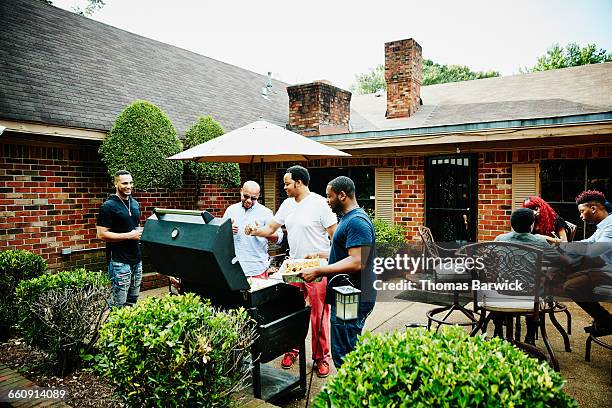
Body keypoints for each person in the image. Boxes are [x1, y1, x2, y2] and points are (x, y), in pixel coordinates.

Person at [246, 165, 337, 378]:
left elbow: (337, 237)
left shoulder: (320, 204)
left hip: (317, 269)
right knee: (290, 312)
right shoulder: (287, 204)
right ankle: (292, 348)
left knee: (318, 315)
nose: (284, 186)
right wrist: (254, 231)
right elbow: (270, 229)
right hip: (293, 268)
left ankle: (321, 357)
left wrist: (322, 256)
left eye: (287, 183)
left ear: (298, 182)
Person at [300, 176, 376, 368]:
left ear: (342, 195)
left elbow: (358, 261)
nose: (327, 200)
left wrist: (320, 270)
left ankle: (354, 393)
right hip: (347, 294)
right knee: (346, 345)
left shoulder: (357, 222)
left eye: (329, 196)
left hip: (351, 296)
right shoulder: (348, 219)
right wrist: (321, 254)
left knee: (345, 352)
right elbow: (345, 252)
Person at [495, 208, 568, 344]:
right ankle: (530, 336)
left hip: (502, 291)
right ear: (531, 225)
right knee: (536, 288)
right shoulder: (539, 242)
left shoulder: (500, 238)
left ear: (512, 224)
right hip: (528, 293)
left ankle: (498, 330)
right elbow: (560, 261)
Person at [561, 190, 612, 334]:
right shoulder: (604, 226)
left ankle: (606, 321)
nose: (581, 215)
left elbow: (595, 251)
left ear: (594, 209)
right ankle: (603, 320)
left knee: (571, 286)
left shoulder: (610, 227)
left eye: (582, 211)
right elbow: (588, 242)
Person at [96, 170, 143, 308]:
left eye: (130, 182)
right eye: (124, 183)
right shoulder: (108, 206)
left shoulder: (135, 204)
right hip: (118, 261)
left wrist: (141, 233)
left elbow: (135, 227)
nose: (129, 186)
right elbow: (101, 234)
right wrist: (129, 235)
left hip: (136, 259)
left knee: (132, 301)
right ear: (116, 184)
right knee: (118, 304)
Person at [223, 180, 283, 279]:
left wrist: (261, 231)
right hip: (234, 267)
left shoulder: (266, 212)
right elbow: (220, 237)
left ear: (258, 196)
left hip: (257, 268)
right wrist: (227, 230)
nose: (249, 200)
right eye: (246, 196)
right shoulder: (231, 210)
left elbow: (279, 238)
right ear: (241, 191)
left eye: (253, 198)